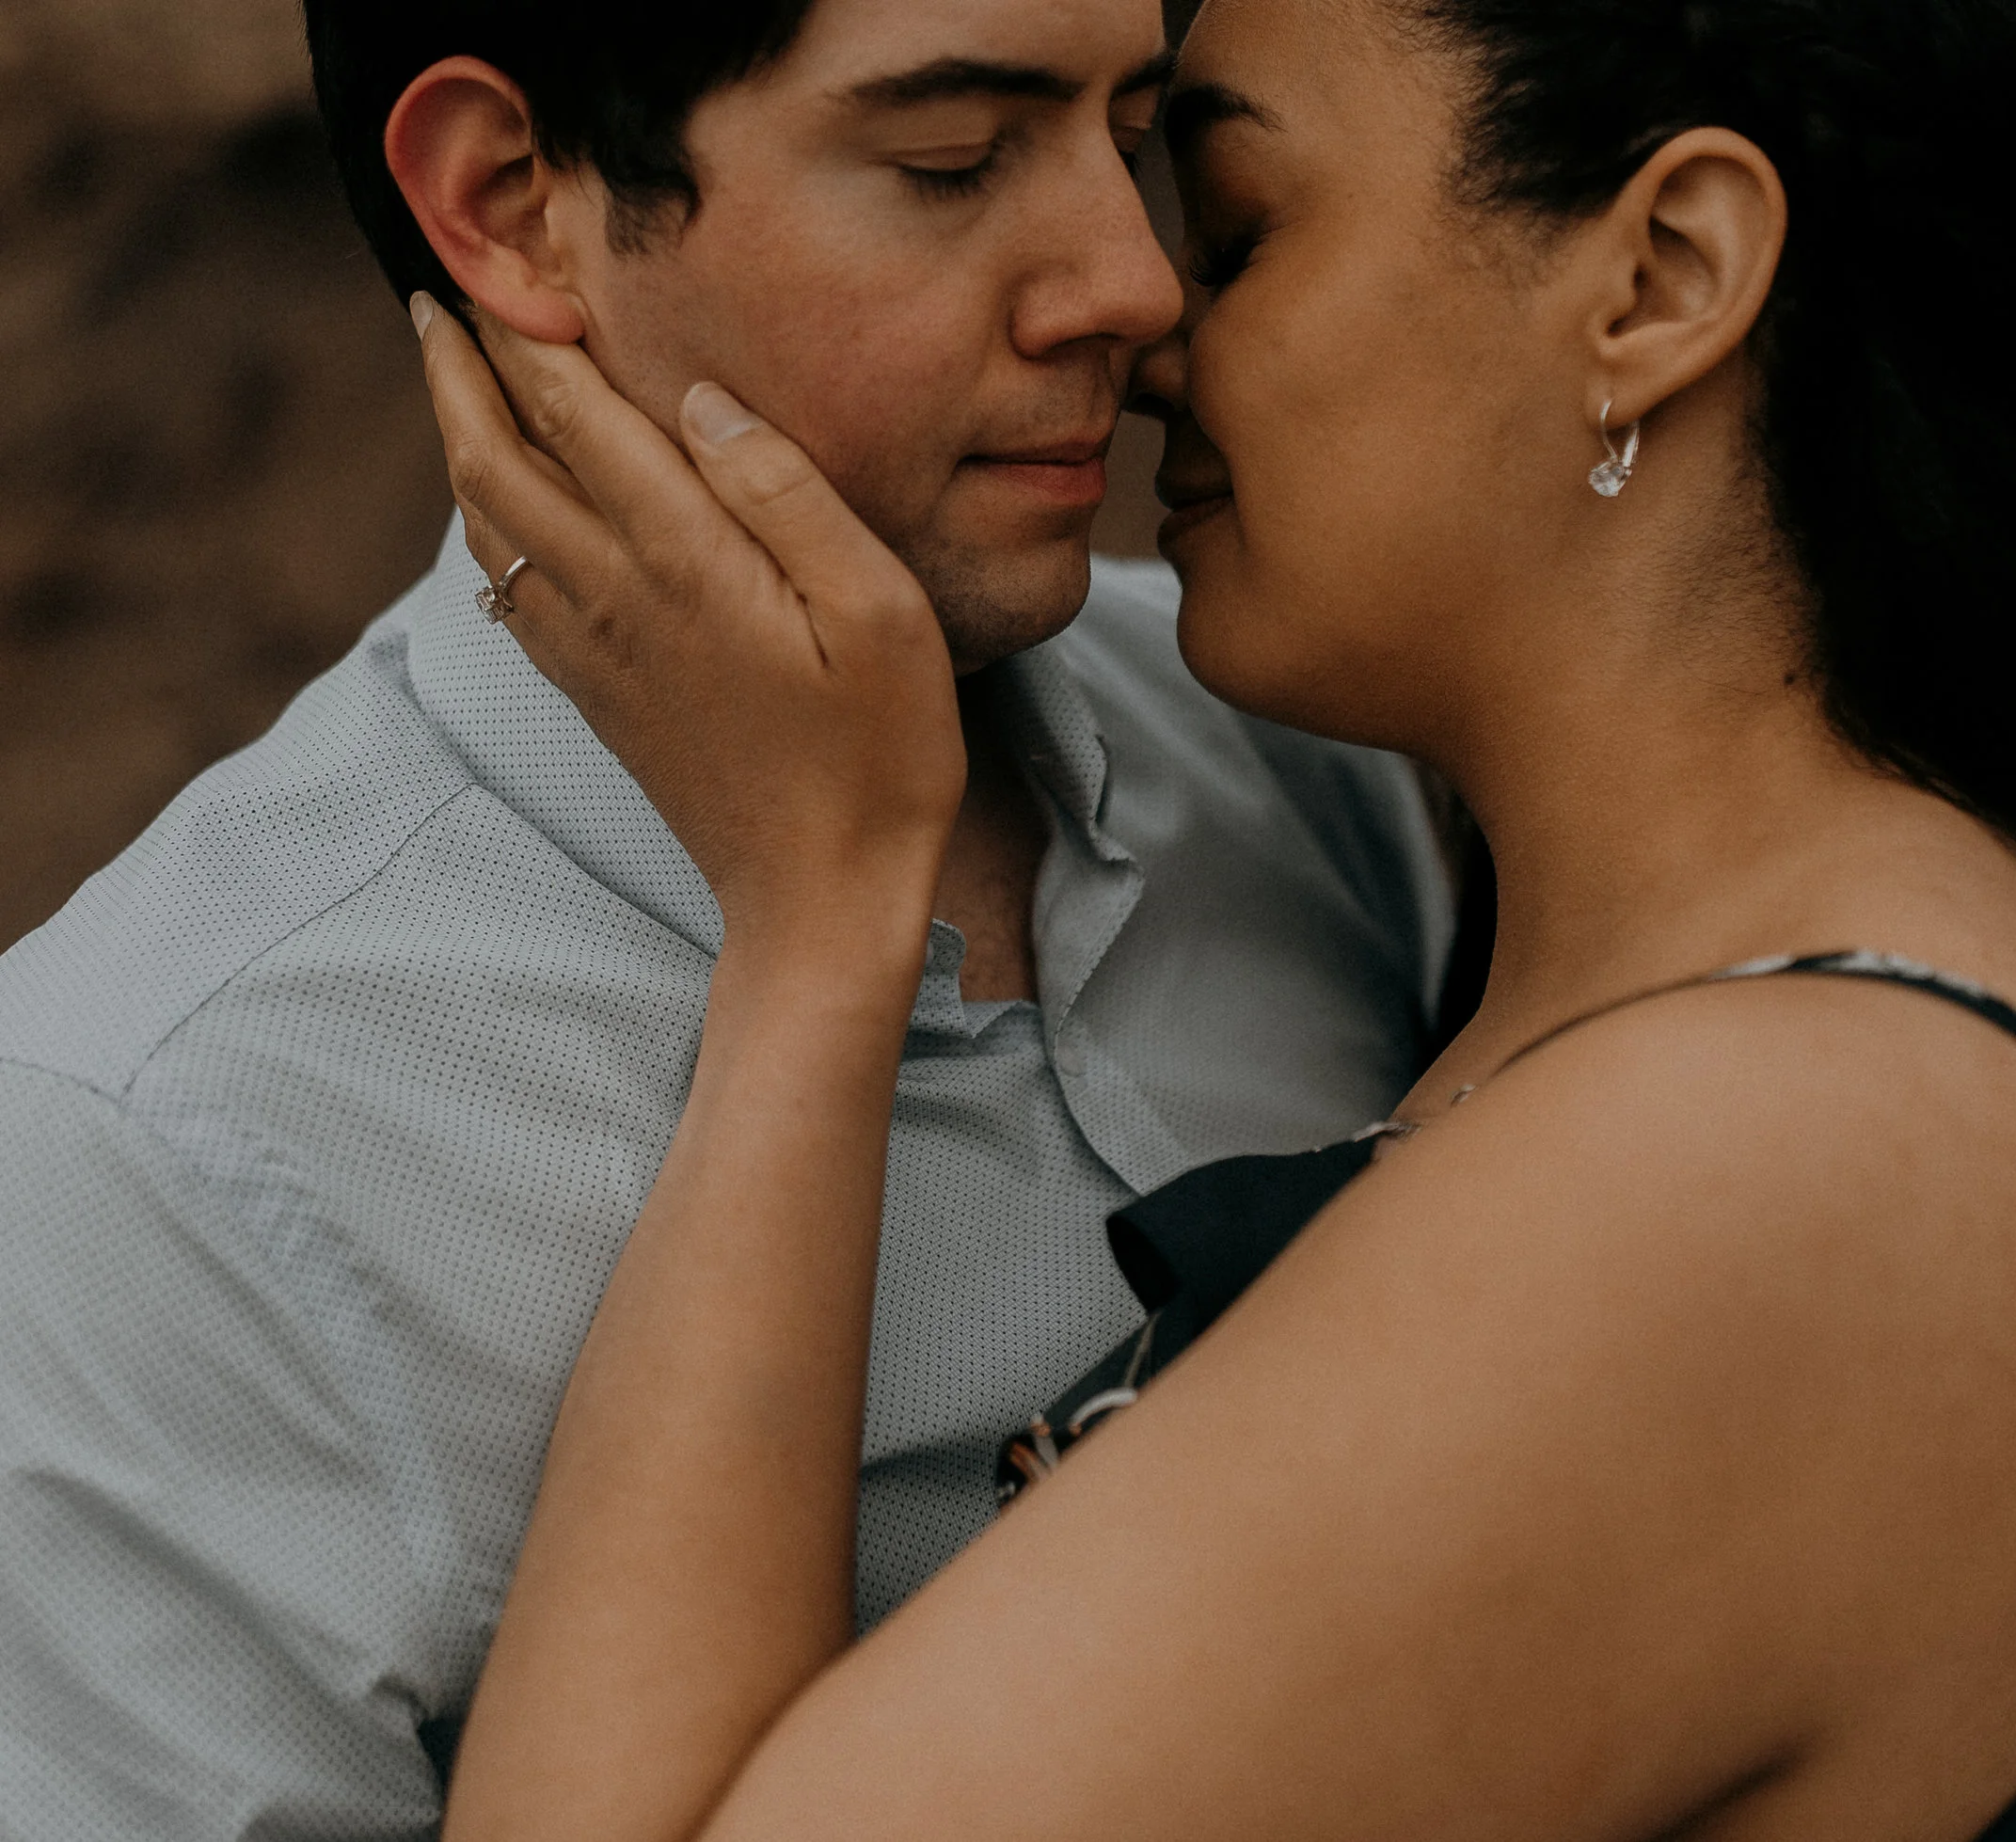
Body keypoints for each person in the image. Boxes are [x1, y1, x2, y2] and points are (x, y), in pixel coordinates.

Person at [407, 0, 2016, 1836]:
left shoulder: (1757, 1166)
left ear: (1662, 278)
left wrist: (821, 919)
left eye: (1237, 226)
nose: (1143, 319)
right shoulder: (1865, 983)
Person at [0, 3, 1453, 1835]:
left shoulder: (1293, 744)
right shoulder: (153, 1154)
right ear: (508, 203)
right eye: (951, 162)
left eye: (1131, 136)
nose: (1133, 281)